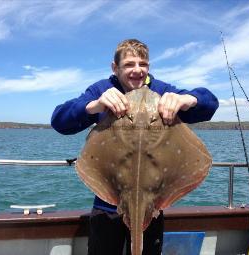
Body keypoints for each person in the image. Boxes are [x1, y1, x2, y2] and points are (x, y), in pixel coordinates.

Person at [51, 39, 219, 255]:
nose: (137, 70)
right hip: (108, 203)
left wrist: (188, 99)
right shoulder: (102, 89)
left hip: (153, 205)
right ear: (115, 67)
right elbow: (59, 121)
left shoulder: (162, 91)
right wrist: (94, 106)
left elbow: (209, 103)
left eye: (143, 64)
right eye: (129, 64)